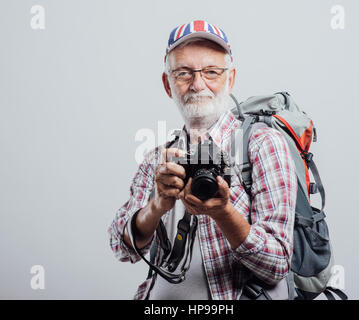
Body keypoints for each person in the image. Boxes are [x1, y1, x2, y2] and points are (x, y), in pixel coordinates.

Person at [108, 20, 297, 300]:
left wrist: (223, 212)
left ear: (230, 79)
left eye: (211, 72)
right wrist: (157, 206)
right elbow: (121, 248)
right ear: (167, 84)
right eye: (183, 73)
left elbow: (276, 264)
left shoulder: (262, 145)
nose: (198, 85)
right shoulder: (158, 159)